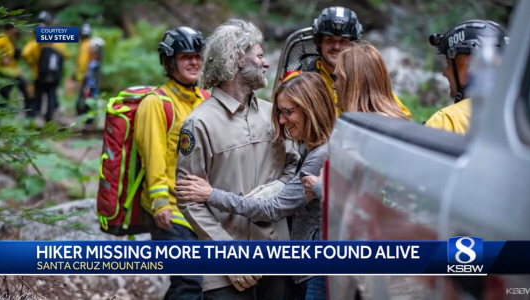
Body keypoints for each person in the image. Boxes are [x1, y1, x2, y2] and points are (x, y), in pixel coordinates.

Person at [176, 72, 336, 300]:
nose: (281, 120)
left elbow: (272, 209)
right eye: (280, 112)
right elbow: (187, 197)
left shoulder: (320, 156)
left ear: (311, 108)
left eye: (287, 112)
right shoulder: (199, 122)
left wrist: (211, 194)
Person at [174, 19, 299, 300]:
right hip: (226, 271)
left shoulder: (274, 115)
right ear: (237, 59)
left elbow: (294, 168)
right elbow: (188, 199)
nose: (266, 63)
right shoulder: (198, 125)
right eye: (259, 55)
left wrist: (269, 193)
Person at [135, 26, 207, 300]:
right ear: (169, 61)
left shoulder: (205, 100)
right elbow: (151, 156)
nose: (194, 62)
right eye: (185, 56)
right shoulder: (156, 103)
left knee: (188, 285)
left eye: (198, 56)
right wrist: (159, 203)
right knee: (191, 284)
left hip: (200, 210)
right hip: (171, 213)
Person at [301, 42, 410, 201]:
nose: (334, 85)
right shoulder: (354, 124)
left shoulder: (381, 130)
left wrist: (319, 187)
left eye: (337, 78)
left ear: (352, 83)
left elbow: (377, 196)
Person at [283, 6, 411, 118]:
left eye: (343, 41)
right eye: (330, 40)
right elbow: (283, 117)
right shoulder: (298, 79)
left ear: (352, 44)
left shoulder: (364, 79)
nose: (336, 47)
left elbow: (401, 115)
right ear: (320, 42)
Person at [425, 19, 508, 134]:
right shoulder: (521, 118)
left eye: (449, 63)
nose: (445, 73)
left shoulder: (447, 120)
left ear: (467, 67)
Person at [21, 12, 70, 122]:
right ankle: (48, 118)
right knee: (51, 96)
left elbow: (25, 54)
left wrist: (32, 63)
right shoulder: (56, 41)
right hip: (54, 74)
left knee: (38, 95)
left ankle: (34, 116)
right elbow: (66, 54)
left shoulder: (34, 43)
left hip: (38, 74)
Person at [0, 23, 30, 108]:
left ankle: (28, 109)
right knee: (6, 91)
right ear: (10, 29)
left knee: (22, 87)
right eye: (14, 29)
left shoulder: (9, 39)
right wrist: (2, 58)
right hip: (4, 71)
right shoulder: (1, 39)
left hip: (12, 70)